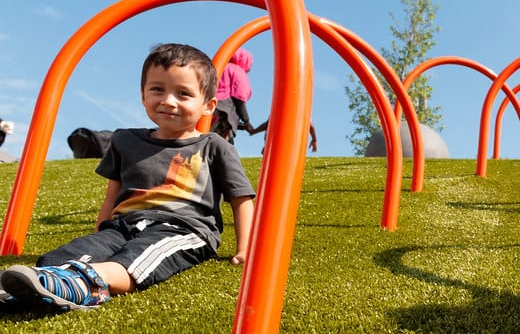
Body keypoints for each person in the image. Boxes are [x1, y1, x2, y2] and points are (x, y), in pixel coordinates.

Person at [0, 43, 255, 313]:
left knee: (139, 257)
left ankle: (87, 286)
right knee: (62, 255)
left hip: (182, 228)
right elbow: (113, 194)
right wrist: (99, 234)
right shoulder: (125, 140)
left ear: (208, 106)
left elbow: (241, 201)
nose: (168, 100)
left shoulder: (214, 146)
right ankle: (34, 289)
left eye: (183, 94)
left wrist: (245, 249)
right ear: (143, 95)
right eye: (158, 89)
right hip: (122, 225)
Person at [212, 48, 255, 143]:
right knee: (223, 145)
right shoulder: (238, 72)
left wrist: (239, 124)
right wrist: (246, 120)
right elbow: (239, 98)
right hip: (224, 113)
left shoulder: (219, 67)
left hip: (210, 109)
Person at [245, 118, 318, 153]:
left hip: (284, 142)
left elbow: (310, 125)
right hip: (275, 142)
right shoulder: (279, 108)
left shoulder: (299, 109)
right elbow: (268, 124)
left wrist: (314, 139)